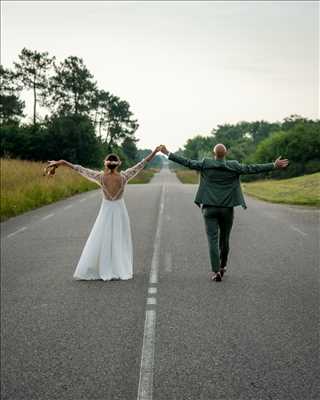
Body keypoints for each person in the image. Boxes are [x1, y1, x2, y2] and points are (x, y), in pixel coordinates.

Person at [159, 144, 289, 282]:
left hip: (209, 208)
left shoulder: (205, 164)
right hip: (227, 209)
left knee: (212, 240)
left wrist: (168, 153)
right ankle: (223, 266)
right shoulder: (234, 166)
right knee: (224, 240)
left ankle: (216, 271)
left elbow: (187, 162)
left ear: (213, 153)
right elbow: (253, 168)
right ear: (226, 153)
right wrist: (273, 165)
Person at [47, 147, 161, 281]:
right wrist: (154, 152)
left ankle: (103, 267)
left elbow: (79, 169)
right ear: (119, 164)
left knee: (102, 237)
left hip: (106, 210)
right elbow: (141, 164)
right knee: (119, 238)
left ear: (105, 163)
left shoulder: (100, 177)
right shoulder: (124, 176)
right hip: (119, 210)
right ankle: (118, 267)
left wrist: (62, 162)